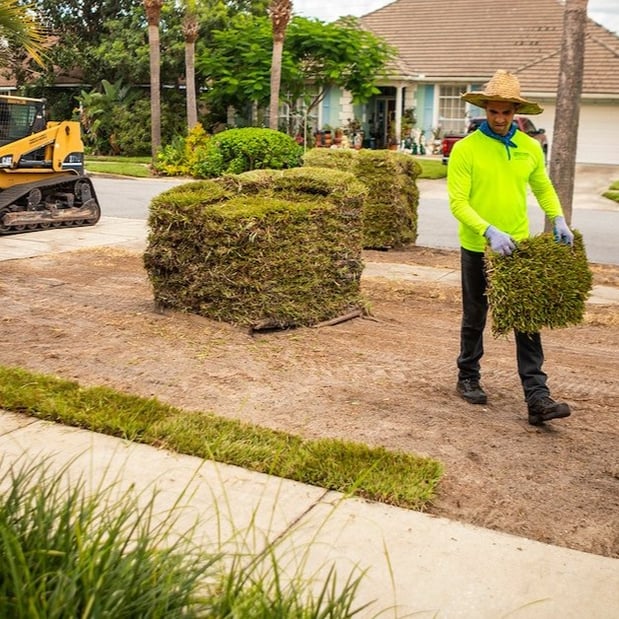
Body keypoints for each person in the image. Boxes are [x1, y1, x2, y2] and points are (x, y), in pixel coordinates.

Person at [448, 69, 574, 426]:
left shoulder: (529, 148)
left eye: (506, 112)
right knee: (476, 315)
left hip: (516, 247)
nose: (500, 119)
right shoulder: (466, 149)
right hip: (477, 245)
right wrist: (488, 230)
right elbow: (458, 203)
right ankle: (467, 376)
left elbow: (543, 187)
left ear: (516, 111)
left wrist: (558, 218)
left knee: (526, 318)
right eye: (493, 112)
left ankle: (537, 397)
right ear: (484, 110)